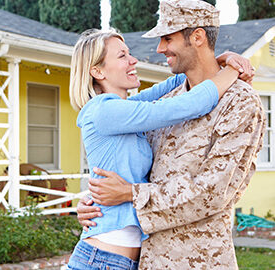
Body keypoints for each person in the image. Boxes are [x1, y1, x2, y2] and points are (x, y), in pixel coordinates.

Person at [77, 0, 265, 269]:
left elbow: (212, 191)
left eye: (167, 38)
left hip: (198, 261)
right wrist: (94, 202)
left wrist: (130, 193)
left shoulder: (240, 102)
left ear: (197, 37)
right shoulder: (159, 105)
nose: (158, 49)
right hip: (143, 259)